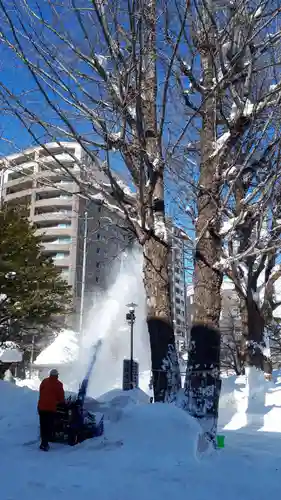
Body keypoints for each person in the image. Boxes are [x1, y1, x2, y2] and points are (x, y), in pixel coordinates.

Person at [38, 368, 65, 451]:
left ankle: (43, 442)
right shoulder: (58, 384)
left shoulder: (44, 381)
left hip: (41, 407)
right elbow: (61, 397)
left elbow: (41, 391)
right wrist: (61, 402)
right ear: (57, 376)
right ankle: (46, 443)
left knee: (43, 425)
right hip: (50, 408)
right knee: (49, 425)